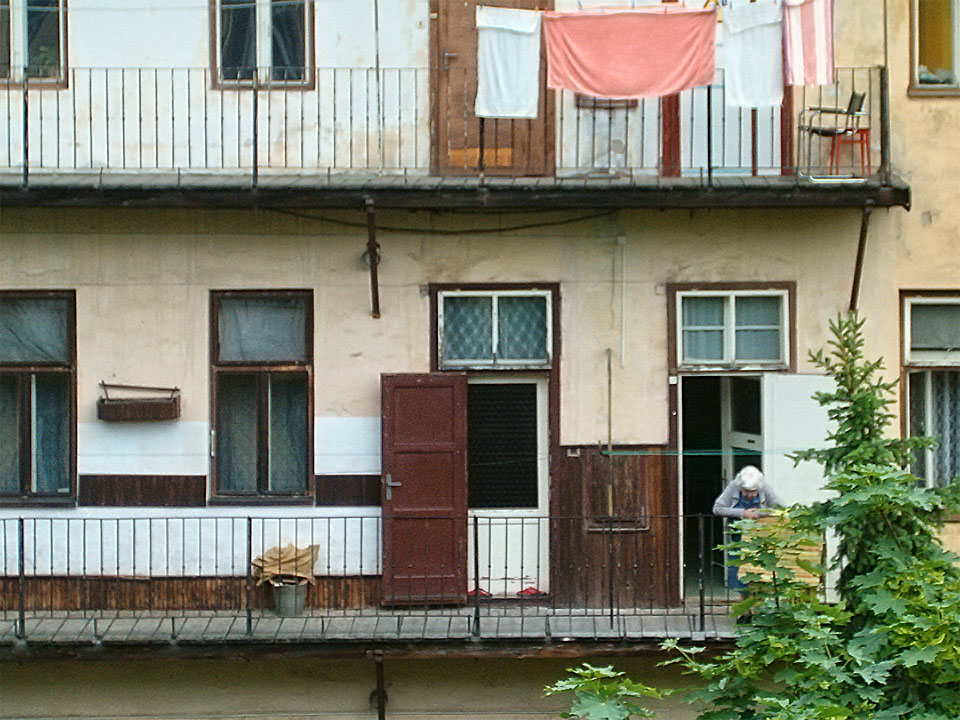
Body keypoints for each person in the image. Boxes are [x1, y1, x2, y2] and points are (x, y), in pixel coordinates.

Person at [712, 465, 783, 592]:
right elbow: (717, 508)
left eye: (753, 491)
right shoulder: (733, 486)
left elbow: (781, 508)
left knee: (759, 570)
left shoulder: (765, 487)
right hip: (738, 535)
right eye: (746, 491)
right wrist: (742, 513)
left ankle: (757, 605)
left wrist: (759, 513)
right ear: (740, 487)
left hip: (760, 537)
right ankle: (744, 607)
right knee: (739, 570)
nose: (749, 495)